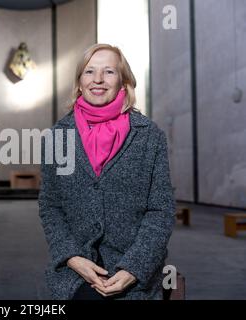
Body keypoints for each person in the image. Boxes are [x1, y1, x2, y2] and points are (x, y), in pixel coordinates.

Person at [38, 43, 176, 300]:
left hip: (133, 273)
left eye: (109, 72)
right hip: (75, 272)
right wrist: (72, 256)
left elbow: (161, 210)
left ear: (123, 82)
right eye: (89, 72)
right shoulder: (58, 137)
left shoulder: (149, 136)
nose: (98, 79)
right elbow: (50, 205)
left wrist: (134, 267)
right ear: (79, 82)